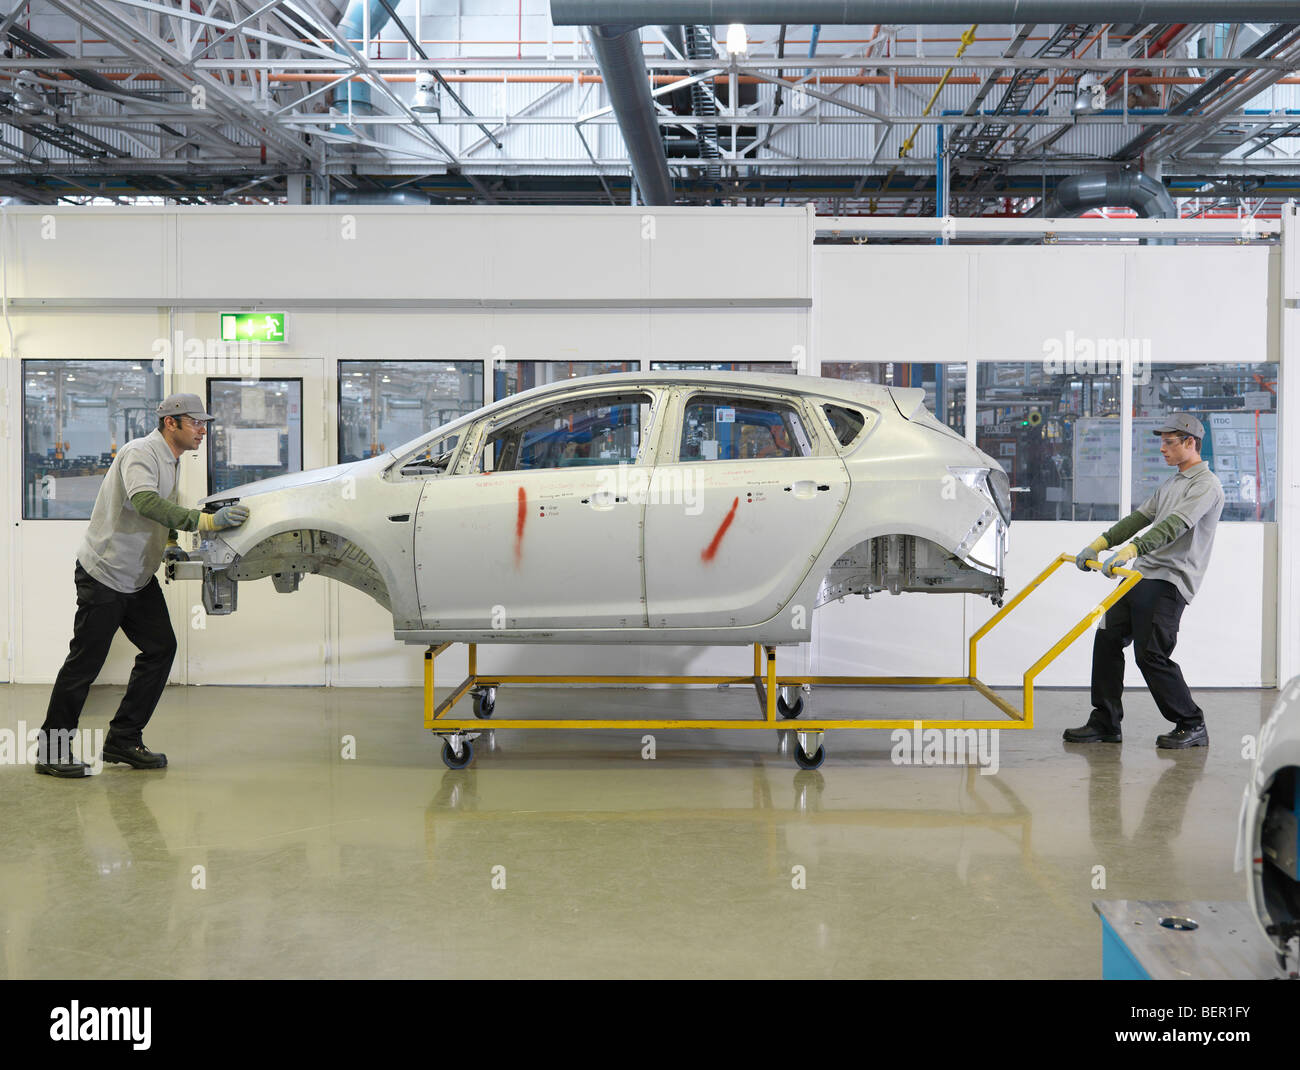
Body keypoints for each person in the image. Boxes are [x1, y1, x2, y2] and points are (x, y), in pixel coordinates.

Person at [36, 393, 251, 778]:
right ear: (172, 423)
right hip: (104, 574)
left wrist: (169, 544)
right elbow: (146, 501)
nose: (202, 430)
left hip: (136, 576)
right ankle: (51, 750)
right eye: (196, 423)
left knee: (160, 648)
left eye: (204, 423)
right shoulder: (141, 452)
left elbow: (162, 508)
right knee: (84, 664)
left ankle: (123, 739)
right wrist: (205, 522)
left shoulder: (172, 459)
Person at [1066, 413, 1224, 749]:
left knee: (1150, 653)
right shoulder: (1171, 483)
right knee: (1107, 637)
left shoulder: (1205, 485)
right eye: (1162, 442)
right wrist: (1101, 543)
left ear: (1190, 443)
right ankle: (1105, 721)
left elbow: (1173, 527)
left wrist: (1132, 550)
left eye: (1169, 442)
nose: (1162, 449)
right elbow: (1138, 519)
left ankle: (1191, 723)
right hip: (1141, 575)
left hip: (1169, 579)